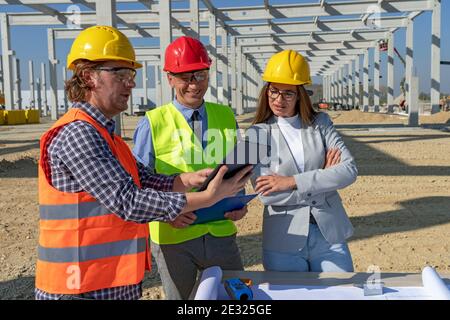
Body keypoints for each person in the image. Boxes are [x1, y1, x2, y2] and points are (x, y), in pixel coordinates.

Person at [35, 26, 251, 300]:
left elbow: (143, 178)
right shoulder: (80, 133)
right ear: (89, 77)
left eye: (131, 74)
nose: (131, 83)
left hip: (106, 279)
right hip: (79, 284)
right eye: (121, 74)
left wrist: (184, 181)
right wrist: (207, 197)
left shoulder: (104, 133)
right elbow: (128, 201)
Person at [133, 36, 248, 300]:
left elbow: (236, 169)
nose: (194, 84)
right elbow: (138, 183)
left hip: (221, 232)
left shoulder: (225, 116)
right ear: (170, 78)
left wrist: (240, 203)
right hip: (175, 235)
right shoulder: (153, 122)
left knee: (236, 300)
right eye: (185, 76)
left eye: (201, 74)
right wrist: (165, 214)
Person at [246, 49, 358, 273]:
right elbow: (267, 194)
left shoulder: (321, 123)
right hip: (284, 240)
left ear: (300, 95)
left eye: (288, 93)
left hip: (329, 236)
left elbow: (348, 170)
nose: (279, 99)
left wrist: (291, 181)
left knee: (344, 294)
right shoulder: (256, 133)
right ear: (266, 91)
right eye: (274, 91)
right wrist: (324, 177)